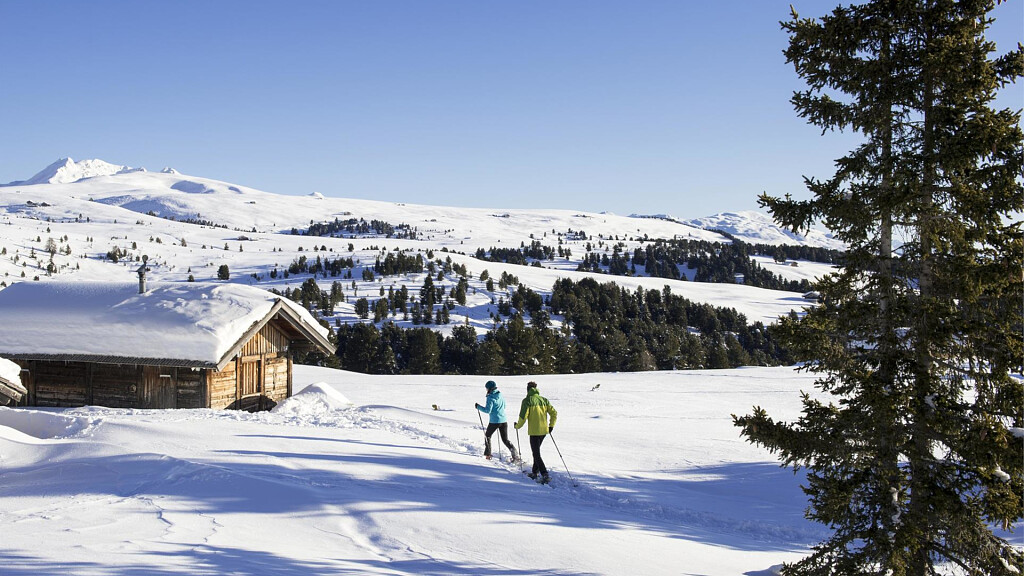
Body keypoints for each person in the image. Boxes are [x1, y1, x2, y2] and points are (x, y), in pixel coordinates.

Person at [514, 381, 557, 483]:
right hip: (544, 430)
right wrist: (551, 426)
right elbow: (554, 413)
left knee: (536, 453)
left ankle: (545, 474)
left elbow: (523, 416)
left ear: (528, 390)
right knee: (536, 452)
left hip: (534, 431)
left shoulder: (527, 401)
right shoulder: (544, 400)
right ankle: (534, 472)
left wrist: (517, 426)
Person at [475, 380, 520, 462]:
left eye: (486, 388)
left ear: (489, 388)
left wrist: (478, 407)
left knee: (487, 436)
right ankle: (515, 454)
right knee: (505, 440)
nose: (486, 390)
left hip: (494, 421)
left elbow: (487, 410)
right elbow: (504, 406)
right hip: (503, 420)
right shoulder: (500, 395)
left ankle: (488, 454)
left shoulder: (490, 397)